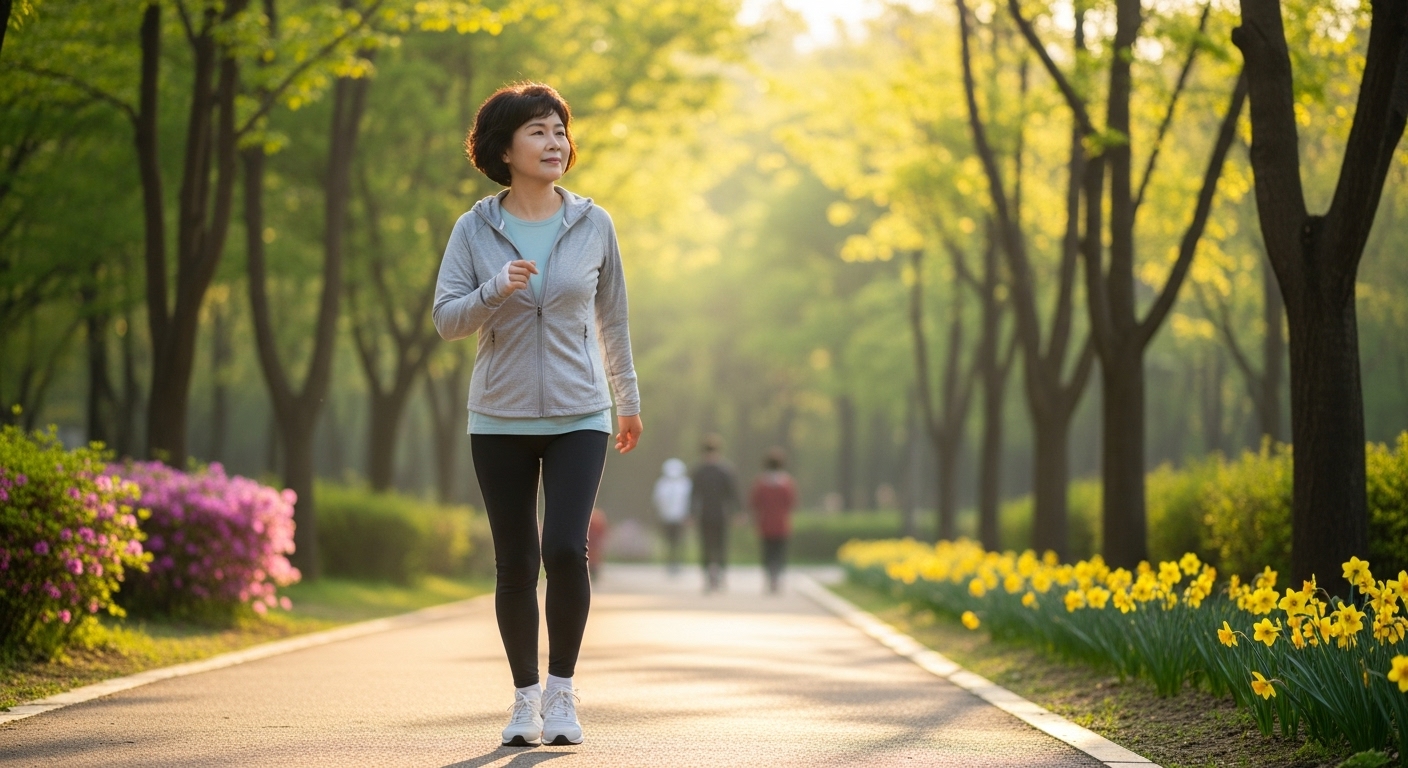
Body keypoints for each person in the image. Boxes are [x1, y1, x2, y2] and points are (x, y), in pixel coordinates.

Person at [432, 82, 642, 749]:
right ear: (505, 148)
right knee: (516, 562)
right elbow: (445, 320)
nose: (555, 143)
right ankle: (524, 700)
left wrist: (628, 399)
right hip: (499, 416)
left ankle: (563, 692)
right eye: (539, 132)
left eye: (560, 131)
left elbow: (613, 319)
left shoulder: (594, 222)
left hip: (582, 411)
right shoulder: (474, 229)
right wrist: (496, 289)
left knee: (564, 550)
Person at [690, 434, 739, 593]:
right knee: (720, 545)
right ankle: (720, 575)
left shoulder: (699, 470)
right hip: (721, 513)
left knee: (706, 545)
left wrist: (691, 514)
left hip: (704, 513)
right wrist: (737, 512)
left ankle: (708, 577)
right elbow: (733, 494)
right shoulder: (726, 470)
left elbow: (693, 494)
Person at [749, 447, 798, 594]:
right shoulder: (787, 483)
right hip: (781, 522)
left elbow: (754, 502)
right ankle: (777, 577)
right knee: (780, 552)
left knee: (767, 552)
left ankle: (769, 577)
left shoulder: (761, 483)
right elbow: (792, 502)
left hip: (765, 522)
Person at [652, 458, 691, 575]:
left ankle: (677, 563)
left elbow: (689, 501)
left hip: (680, 518)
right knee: (669, 542)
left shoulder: (686, 484)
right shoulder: (662, 484)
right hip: (667, 518)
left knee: (679, 542)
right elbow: (657, 501)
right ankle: (670, 563)